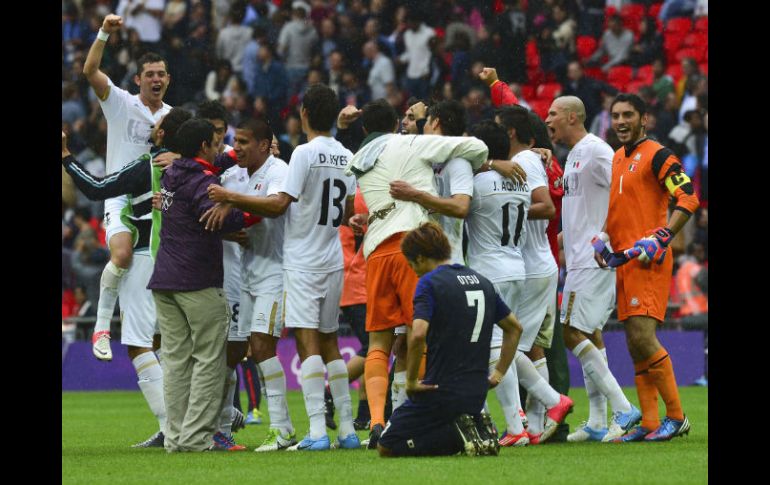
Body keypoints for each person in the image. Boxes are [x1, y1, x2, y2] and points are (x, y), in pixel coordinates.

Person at [207, 84, 360, 451]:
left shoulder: (303, 154)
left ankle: (315, 433)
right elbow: (350, 212)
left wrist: (229, 198)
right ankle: (348, 431)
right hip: (332, 258)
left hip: (301, 261)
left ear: (304, 113)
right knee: (330, 344)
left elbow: (278, 205)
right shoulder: (346, 155)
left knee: (307, 344)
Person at [344, 99, 490, 449]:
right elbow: (476, 146)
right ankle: (424, 415)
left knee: (379, 341)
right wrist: (486, 160)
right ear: (396, 123)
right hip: (414, 246)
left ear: (365, 129)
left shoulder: (358, 159)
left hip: (376, 248)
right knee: (421, 331)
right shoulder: (410, 142)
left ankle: (377, 420)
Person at [61, 108, 192, 448]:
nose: (154, 125)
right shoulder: (195, 167)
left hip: (147, 257)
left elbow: (95, 188)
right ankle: (207, 415)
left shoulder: (148, 166)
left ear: (164, 135)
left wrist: (65, 157)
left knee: (138, 345)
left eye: (159, 125)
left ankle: (173, 429)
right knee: (168, 344)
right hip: (181, 261)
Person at [147, 118, 259, 453]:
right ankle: (196, 439)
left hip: (165, 281)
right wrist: (251, 203)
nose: (220, 149)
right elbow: (222, 218)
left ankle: (176, 438)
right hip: (197, 282)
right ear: (203, 147)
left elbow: (209, 167)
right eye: (215, 143)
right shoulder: (202, 181)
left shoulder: (171, 174)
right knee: (210, 361)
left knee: (176, 362)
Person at [377, 222, 523, 457]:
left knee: (386, 445)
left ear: (422, 258)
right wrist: (498, 374)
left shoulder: (429, 283)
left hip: (438, 391)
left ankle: (456, 437)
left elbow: (418, 333)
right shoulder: (482, 281)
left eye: (411, 263)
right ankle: (474, 431)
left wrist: (412, 381)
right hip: (477, 393)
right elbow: (515, 328)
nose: (412, 270)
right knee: (433, 425)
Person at [545, 96, 642, 442]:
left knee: (571, 330)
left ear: (572, 116)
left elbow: (625, 194)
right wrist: (566, 231)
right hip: (578, 256)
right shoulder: (572, 154)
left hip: (594, 257)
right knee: (590, 332)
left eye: (553, 114)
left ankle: (623, 408)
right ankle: (599, 420)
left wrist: (605, 235)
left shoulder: (598, 151)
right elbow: (587, 201)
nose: (547, 119)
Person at [604, 93, 699, 442]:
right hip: (625, 261)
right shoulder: (616, 157)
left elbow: (688, 196)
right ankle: (648, 421)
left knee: (644, 337)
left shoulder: (659, 155)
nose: (621, 122)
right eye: (615, 116)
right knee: (634, 343)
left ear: (645, 119)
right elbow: (621, 212)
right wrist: (605, 241)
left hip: (649, 260)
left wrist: (663, 235)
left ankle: (676, 417)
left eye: (629, 114)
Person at [206, 119, 300, 452]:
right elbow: (211, 211)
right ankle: (220, 426)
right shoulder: (233, 175)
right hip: (243, 276)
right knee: (232, 351)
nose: (237, 148)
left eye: (245, 142)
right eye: (236, 142)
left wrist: (231, 200)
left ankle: (282, 428)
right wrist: (226, 226)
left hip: (274, 273)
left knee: (261, 347)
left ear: (264, 144)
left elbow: (276, 207)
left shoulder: (278, 170)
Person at [83, 13, 172, 362]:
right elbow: (90, 71)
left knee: (162, 277)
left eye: (161, 74)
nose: (155, 79)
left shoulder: (173, 116)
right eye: (149, 74)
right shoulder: (121, 102)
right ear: (138, 79)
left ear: (168, 79)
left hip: (157, 201)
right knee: (120, 253)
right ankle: (102, 326)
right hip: (120, 194)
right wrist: (104, 31)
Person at [493, 105, 573, 444]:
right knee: (531, 347)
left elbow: (547, 206)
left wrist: (507, 209)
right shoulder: (531, 159)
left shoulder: (524, 161)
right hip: (537, 264)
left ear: (510, 132)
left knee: (510, 348)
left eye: (499, 128)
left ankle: (549, 406)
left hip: (530, 265)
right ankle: (537, 426)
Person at [465, 120, 531, 447]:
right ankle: (519, 419)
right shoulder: (522, 181)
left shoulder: (478, 184)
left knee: (494, 347)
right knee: (508, 344)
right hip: (517, 266)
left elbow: (461, 210)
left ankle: (515, 427)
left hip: (489, 269)